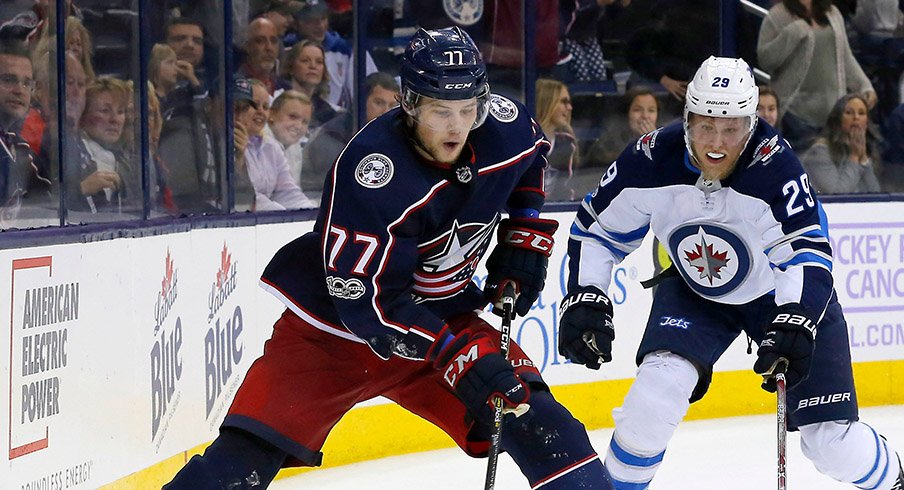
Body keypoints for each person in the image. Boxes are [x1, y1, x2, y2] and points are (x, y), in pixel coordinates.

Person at [165, 27, 613, 490]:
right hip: (333, 336)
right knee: (241, 464)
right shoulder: (372, 175)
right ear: (410, 103)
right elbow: (370, 307)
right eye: (441, 111)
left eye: (467, 109)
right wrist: (457, 357)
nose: (458, 127)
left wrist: (525, 235)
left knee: (540, 423)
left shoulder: (501, 122)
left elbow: (531, 159)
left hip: (444, 320)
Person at [557, 56, 904, 490]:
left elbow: (807, 254)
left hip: (779, 294)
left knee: (832, 445)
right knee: (653, 397)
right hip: (695, 291)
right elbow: (597, 230)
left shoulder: (775, 169)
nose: (716, 142)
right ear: (685, 119)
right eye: (705, 125)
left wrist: (796, 316)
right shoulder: (650, 160)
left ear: (752, 123)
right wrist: (587, 293)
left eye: (731, 128)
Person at [757, 0, 877, 152]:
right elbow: (765, 60)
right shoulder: (777, 16)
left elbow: (844, 56)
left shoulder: (832, 12)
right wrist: (792, 33)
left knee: (833, 171)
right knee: (802, 172)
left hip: (834, 115)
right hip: (796, 117)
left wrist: (863, 85)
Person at [302, 70, 398, 201]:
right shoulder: (331, 136)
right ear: (360, 102)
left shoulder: (390, 136)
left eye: (393, 106)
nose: (386, 112)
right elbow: (342, 192)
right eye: (379, 103)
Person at [234, 78, 316, 211]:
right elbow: (248, 197)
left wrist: (313, 214)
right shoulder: (232, 143)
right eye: (254, 105)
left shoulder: (272, 147)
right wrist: (280, 215)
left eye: (265, 107)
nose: (260, 111)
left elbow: (288, 193)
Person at [73, 76, 136, 216]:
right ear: (83, 115)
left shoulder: (126, 163)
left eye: (120, 111)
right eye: (105, 110)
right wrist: (80, 191)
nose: (114, 119)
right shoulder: (69, 156)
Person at [801, 94, 882, 194]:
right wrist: (855, 157)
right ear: (838, 119)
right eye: (849, 113)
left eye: (861, 113)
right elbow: (837, 194)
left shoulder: (868, 149)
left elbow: (875, 192)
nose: (856, 117)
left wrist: (864, 159)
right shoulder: (819, 152)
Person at [586, 86, 661, 168]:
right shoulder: (609, 141)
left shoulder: (665, 140)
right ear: (626, 113)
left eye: (651, 110)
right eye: (637, 110)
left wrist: (654, 145)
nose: (645, 116)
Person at [534, 78, 580, 201]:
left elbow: (566, 189)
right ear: (547, 103)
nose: (569, 107)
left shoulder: (567, 143)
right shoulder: (523, 140)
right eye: (564, 102)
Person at [279, 39, 339, 132]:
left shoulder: (328, 114)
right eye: (305, 61)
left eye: (319, 62)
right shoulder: (277, 101)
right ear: (291, 67)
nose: (313, 66)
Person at [265, 89, 312, 188]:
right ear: (272, 113)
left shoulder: (295, 147)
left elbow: (293, 193)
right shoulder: (257, 142)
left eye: (305, 122)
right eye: (293, 117)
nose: (299, 126)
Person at [237, 17, 280, 94]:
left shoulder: (286, 88)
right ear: (248, 46)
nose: (269, 47)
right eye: (260, 41)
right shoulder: (235, 86)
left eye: (273, 41)